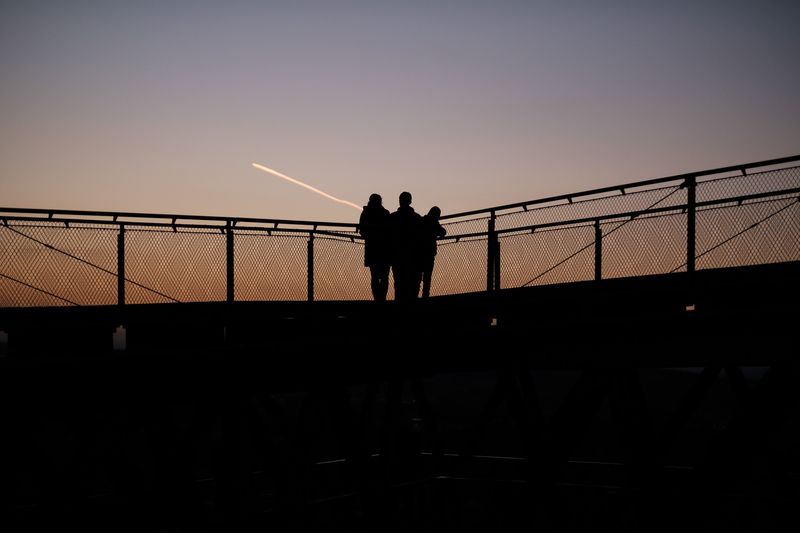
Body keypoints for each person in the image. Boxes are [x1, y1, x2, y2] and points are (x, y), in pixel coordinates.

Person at [389, 191, 422, 301]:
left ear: (400, 201)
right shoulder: (417, 218)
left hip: (396, 253)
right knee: (413, 280)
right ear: (410, 201)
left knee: (399, 280)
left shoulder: (392, 217)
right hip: (414, 254)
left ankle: (399, 302)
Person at [358, 193, 391, 301]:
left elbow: (362, 231)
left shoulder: (366, 213)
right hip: (385, 249)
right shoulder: (385, 213)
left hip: (372, 249)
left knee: (375, 276)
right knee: (384, 276)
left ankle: (377, 298)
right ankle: (382, 298)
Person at [419, 206, 446, 298]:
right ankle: (425, 295)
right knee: (427, 276)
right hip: (429, 252)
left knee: (417, 276)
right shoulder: (434, 222)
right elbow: (442, 231)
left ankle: (414, 296)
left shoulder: (422, 220)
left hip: (419, 252)